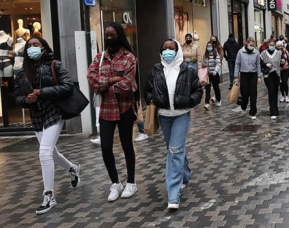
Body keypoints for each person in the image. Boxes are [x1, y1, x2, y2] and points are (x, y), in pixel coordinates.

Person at [14, 37, 80, 215]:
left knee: (44, 153)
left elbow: (67, 86)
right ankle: (72, 168)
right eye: (29, 46)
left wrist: (42, 93)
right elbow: (18, 97)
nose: (32, 48)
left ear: (44, 48)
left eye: (36, 45)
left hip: (54, 112)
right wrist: (26, 100)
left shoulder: (55, 65)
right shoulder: (21, 73)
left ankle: (49, 195)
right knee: (51, 152)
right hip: (36, 116)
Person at [144, 39, 203, 210]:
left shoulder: (187, 70)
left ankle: (173, 194)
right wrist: (152, 99)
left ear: (177, 51)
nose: (167, 51)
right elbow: (147, 91)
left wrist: (189, 101)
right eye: (164, 49)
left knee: (175, 150)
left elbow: (198, 90)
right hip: (164, 116)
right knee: (173, 149)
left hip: (181, 115)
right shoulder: (156, 70)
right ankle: (185, 175)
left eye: (171, 48)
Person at [87, 22, 138, 202]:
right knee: (106, 147)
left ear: (120, 35)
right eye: (106, 35)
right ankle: (115, 182)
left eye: (112, 35)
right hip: (106, 110)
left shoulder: (129, 58)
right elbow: (92, 82)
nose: (109, 38)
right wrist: (113, 80)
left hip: (125, 109)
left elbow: (128, 85)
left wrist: (105, 83)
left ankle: (131, 182)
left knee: (127, 146)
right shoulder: (99, 57)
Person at [233, 37, 261, 120]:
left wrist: (259, 76)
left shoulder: (256, 53)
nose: (252, 46)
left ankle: (253, 112)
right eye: (250, 45)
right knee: (244, 93)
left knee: (253, 93)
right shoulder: (240, 52)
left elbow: (258, 65)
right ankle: (244, 104)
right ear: (247, 43)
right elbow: (237, 64)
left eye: (253, 45)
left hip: (253, 74)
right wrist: (236, 76)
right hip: (244, 74)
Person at [260, 39, 282, 120]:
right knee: (271, 91)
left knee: (275, 92)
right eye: (270, 45)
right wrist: (265, 64)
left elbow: (280, 63)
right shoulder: (264, 53)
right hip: (268, 74)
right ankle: (272, 111)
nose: (272, 46)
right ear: (268, 45)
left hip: (276, 74)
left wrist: (282, 62)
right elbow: (259, 63)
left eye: (273, 45)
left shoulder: (278, 53)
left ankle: (275, 109)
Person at [202, 41, 221, 110]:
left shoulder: (216, 54)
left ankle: (218, 100)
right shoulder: (205, 55)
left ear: (212, 46)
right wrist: (203, 65)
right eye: (208, 46)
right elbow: (203, 62)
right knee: (207, 89)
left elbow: (218, 63)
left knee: (216, 88)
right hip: (207, 74)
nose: (209, 47)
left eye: (210, 45)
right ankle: (207, 103)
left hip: (214, 74)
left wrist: (215, 71)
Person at [209, 35, 223, 103]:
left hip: (217, 66)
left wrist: (216, 59)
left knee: (216, 83)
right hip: (210, 67)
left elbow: (221, 56)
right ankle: (213, 96)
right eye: (211, 40)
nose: (213, 41)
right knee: (213, 83)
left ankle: (215, 96)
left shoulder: (219, 47)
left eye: (214, 39)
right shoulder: (209, 47)